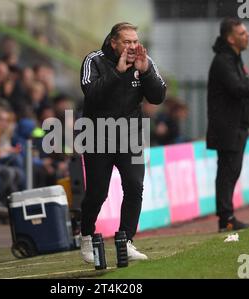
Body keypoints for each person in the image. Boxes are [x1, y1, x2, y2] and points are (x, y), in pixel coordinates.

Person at [79, 22, 166, 263]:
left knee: (135, 187)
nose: (132, 46)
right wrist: (118, 70)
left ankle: (126, 240)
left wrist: (146, 70)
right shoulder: (93, 61)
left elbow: (158, 97)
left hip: (131, 136)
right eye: (127, 42)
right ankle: (86, 235)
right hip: (97, 135)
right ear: (113, 42)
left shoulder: (143, 60)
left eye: (135, 41)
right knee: (97, 194)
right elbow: (92, 94)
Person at [206, 18, 249, 232]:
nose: (248, 35)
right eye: (242, 33)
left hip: (237, 128)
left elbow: (240, 90)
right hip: (227, 128)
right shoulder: (223, 61)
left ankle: (227, 217)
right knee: (227, 173)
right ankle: (226, 219)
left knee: (231, 172)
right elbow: (238, 90)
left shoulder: (234, 59)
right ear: (230, 38)